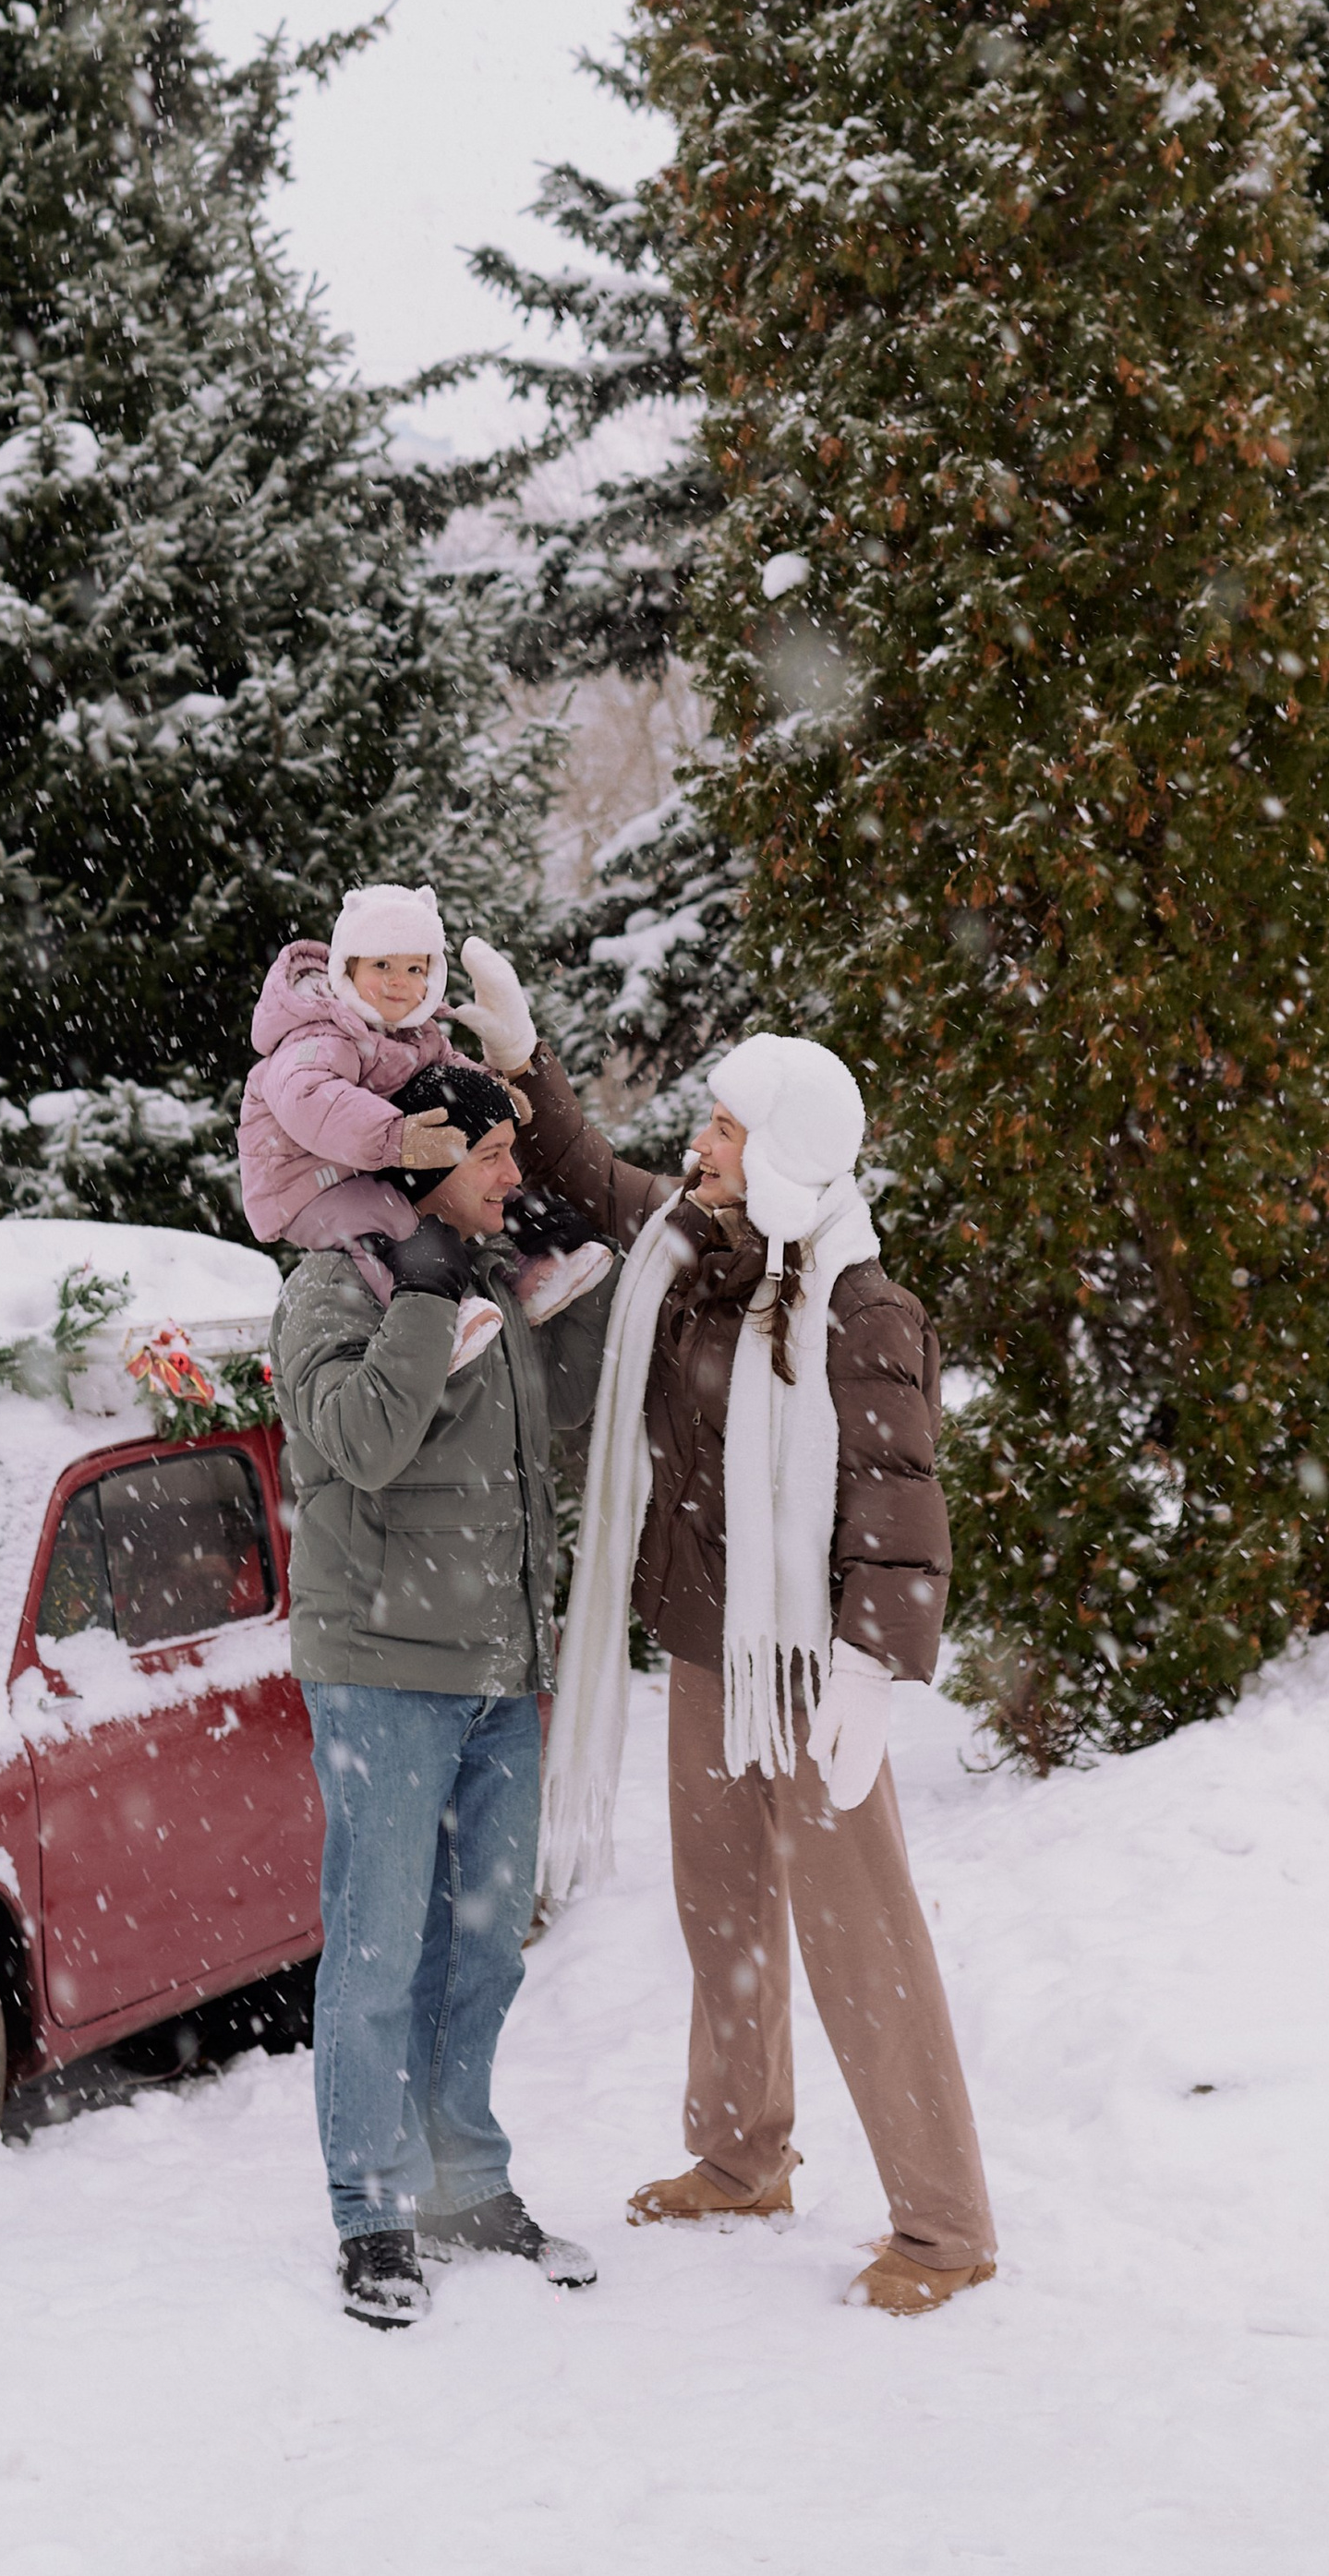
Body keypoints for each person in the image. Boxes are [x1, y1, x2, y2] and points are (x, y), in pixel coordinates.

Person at [451, 945, 996, 2320]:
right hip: (710, 1641)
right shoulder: (704, 1260)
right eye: (708, 1122)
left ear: (791, 1153)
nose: (700, 1145)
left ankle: (943, 2224)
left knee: (858, 1933)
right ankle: (743, 2155)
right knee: (723, 1909)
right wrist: (524, 1066)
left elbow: (899, 1509)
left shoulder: (861, 1313)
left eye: (727, 1128)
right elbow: (585, 1172)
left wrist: (874, 1665)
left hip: (815, 1668)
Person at [269, 1052, 614, 2329]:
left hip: (494, 1668)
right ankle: (371, 2207)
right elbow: (356, 1443)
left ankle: (468, 2183)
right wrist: (418, 1303)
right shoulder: (331, 1286)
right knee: (376, 1949)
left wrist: (571, 1287)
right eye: (492, 1157)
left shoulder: (487, 1272)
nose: (513, 1176)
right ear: (422, 1164)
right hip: (384, 1668)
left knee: (479, 1943)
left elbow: (557, 1417)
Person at [239, 889, 610, 1335]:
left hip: (364, 1165)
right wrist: (397, 1138)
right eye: (382, 965)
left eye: (414, 968)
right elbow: (312, 1101)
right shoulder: (320, 1033)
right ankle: (430, 1318)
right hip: (304, 1186)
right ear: (347, 969)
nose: (399, 981)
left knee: (486, 1195)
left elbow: (448, 1064)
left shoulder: (414, 1032)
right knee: (395, 1219)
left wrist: (497, 1092)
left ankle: (528, 1272)